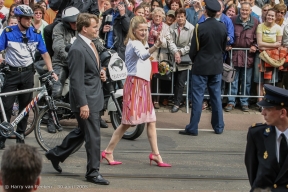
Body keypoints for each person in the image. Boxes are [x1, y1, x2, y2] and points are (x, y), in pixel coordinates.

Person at [45, 13, 109, 185]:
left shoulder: (90, 43)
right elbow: (76, 79)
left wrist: (100, 72)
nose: (98, 29)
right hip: (87, 99)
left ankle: (56, 154)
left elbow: (89, 70)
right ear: (84, 28)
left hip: (93, 95)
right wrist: (83, 104)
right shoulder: (77, 49)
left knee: (82, 133)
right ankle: (93, 172)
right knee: (93, 136)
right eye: (95, 27)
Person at [101, 16, 171, 168]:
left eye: (146, 29)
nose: (144, 32)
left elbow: (146, 55)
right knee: (127, 123)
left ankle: (156, 154)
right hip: (135, 84)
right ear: (134, 30)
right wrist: (156, 45)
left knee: (151, 120)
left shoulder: (141, 42)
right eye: (141, 30)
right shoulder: (133, 44)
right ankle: (108, 151)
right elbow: (144, 55)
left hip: (143, 84)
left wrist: (154, 42)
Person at [0, 5, 57, 149]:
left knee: (26, 107)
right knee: (6, 107)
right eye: (26, 18)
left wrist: (51, 70)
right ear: (18, 19)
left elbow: (44, 53)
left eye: (30, 18)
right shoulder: (8, 32)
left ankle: (20, 135)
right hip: (11, 73)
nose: (29, 20)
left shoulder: (36, 33)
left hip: (27, 73)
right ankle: (2, 136)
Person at [179, 0, 227, 136]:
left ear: (205, 11)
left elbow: (193, 50)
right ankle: (219, 126)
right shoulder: (222, 27)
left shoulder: (200, 27)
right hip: (216, 66)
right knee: (216, 97)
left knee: (197, 98)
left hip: (201, 66)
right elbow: (223, 48)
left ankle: (193, 127)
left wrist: (196, 61)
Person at [245, 84, 288, 191]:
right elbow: (253, 171)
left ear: (282, 112)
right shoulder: (257, 134)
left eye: (267, 109)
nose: (262, 113)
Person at [45, 6, 80, 133]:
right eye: (72, 22)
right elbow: (58, 47)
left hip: (77, 62)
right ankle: (52, 120)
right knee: (57, 88)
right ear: (66, 21)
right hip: (61, 62)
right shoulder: (58, 28)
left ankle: (93, 117)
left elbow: (92, 40)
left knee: (87, 85)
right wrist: (71, 57)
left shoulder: (82, 27)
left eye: (76, 21)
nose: (75, 24)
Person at [224, 2, 259, 112]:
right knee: (232, 80)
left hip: (248, 56)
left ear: (250, 11)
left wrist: (255, 46)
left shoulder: (256, 22)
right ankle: (231, 101)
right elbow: (227, 34)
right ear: (240, 10)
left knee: (246, 81)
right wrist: (227, 44)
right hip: (234, 55)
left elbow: (258, 39)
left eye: (246, 10)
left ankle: (244, 102)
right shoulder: (233, 20)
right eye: (242, 10)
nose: (244, 12)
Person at [253, 9, 283, 109]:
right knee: (259, 80)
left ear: (275, 17)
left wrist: (266, 46)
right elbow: (259, 44)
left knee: (269, 81)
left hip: (272, 57)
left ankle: (268, 102)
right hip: (260, 56)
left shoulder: (278, 28)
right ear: (266, 16)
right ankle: (260, 102)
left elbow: (278, 45)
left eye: (272, 16)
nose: (270, 17)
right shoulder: (260, 26)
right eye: (268, 15)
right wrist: (273, 45)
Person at [168, 8, 194, 113]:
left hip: (185, 57)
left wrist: (181, 52)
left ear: (185, 16)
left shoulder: (191, 28)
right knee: (173, 80)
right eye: (178, 16)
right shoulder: (171, 27)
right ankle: (174, 99)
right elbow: (170, 41)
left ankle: (177, 103)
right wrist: (176, 52)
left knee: (180, 81)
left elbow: (191, 44)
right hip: (174, 56)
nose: (180, 18)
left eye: (182, 16)